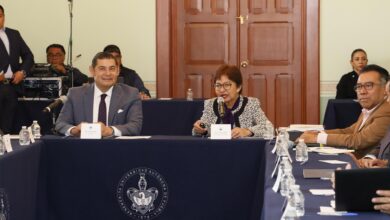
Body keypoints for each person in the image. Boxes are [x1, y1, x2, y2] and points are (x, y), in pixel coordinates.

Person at [300, 64, 390, 158]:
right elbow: (350, 131)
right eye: (359, 86)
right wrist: (319, 133)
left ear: (385, 88)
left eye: (368, 86)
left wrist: (317, 138)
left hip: (365, 166)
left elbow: (358, 141)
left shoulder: (386, 111)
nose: (362, 92)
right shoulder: (371, 108)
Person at [55, 52, 142, 137]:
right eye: (102, 68)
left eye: (112, 69)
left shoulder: (130, 94)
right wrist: (74, 130)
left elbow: (135, 126)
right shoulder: (75, 94)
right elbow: (60, 124)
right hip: (83, 147)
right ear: (92, 71)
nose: (108, 73)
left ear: (118, 71)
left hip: (117, 148)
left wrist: (110, 130)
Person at [192, 64, 272, 138]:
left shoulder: (250, 104)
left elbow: (268, 128)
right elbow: (199, 131)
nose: (222, 90)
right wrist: (200, 129)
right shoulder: (210, 104)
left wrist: (247, 131)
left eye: (227, 85)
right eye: (218, 85)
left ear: (238, 87)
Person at [0, 5, 34, 134]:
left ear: (4, 16)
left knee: (8, 127)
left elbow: (28, 56)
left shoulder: (13, 34)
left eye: (0, 16)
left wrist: (22, 72)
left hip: (11, 86)